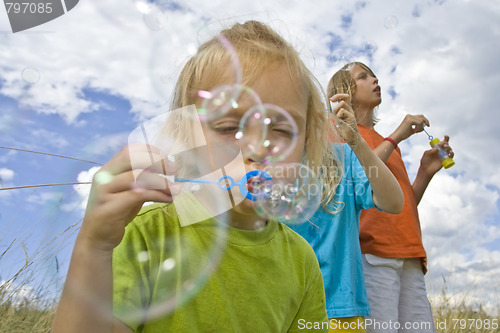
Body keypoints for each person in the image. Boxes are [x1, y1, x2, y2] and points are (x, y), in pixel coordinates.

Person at [51, 21, 353, 333]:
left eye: (280, 130)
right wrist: (94, 246)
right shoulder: (146, 232)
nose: (257, 148)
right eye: (228, 127)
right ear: (188, 138)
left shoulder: (302, 262)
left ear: (306, 143)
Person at [327, 62, 454, 333]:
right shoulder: (338, 131)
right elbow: (354, 178)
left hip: (409, 254)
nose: (375, 80)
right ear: (345, 90)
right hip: (371, 254)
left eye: (373, 75)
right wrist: (397, 136)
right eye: (364, 76)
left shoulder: (385, 144)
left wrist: (424, 172)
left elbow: (399, 204)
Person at [289, 91, 404, 333]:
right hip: (280, 307)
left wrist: (356, 141)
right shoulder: (263, 168)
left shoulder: (342, 158)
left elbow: (394, 202)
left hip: (340, 310)